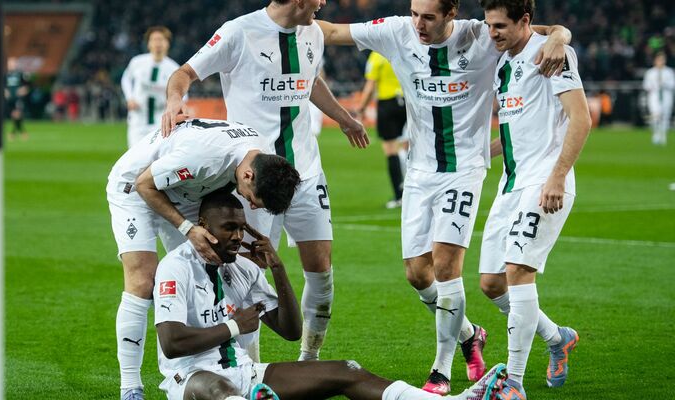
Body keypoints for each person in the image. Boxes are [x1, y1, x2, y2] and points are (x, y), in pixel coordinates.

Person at [317, 0, 571, 393]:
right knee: (418, 275)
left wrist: (560, 34)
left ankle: (441, 369)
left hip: (464, 170)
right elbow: (331, 31)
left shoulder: (481, 35)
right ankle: (471, 333)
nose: (418, 23)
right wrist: (281, 22)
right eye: (415, 13)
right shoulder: (396, 31)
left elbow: (538, 31)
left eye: (429, 16)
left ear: (451, 15)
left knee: (447, 265)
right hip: (419, 171)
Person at [162, 0, 370, 363]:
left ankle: (310, 359)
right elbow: (184, 74)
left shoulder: (313, 33)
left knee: (321, 270)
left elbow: (309, 81)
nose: (323, 3)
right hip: (253, 179)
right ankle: (250, 367)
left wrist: (344, 117)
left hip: (305, 171)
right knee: (246, 273)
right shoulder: (237, 32)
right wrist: (174, 103)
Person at [153, 190, 509, 400]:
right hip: (190, 379)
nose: (236, 236)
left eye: (240, 228)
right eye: (228, 228)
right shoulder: (176, 267)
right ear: (203, 227)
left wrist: (277, 268)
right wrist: (233, 327)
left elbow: (291, 330)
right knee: (216, 388)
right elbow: (170, 343)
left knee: (348, 370)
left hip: (247, 373)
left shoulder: (243, 268)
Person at [106, 118, 301, 400]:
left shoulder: (260, 157)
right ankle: (131, 387)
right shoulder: (204, 157)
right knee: (143, 279)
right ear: (248, 176)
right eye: (252, 198)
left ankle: (230, 369)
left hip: (184, 190)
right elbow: (145, 184)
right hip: (136, 188)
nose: (252, 204)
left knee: (213, 265)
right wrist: (187, 229)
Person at [478, 1, 591, 398]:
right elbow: (515, 132)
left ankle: (513, 383)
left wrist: (557, 176)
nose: (493, 33)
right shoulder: (505, 63)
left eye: (501, 26)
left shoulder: (551, 54)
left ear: (526, 21)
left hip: (543, 182)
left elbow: (581, 118)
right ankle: (557, 337)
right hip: (510, 184)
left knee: (518, 271)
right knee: (492, 284)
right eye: (490, 25)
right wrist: (475, 153)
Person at [355, 51, 409, 209]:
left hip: (387, 104)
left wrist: (361, 109)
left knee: (391, 150)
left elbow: (370, 85)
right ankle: (416, 192)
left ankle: (399, 195)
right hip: (408, 102)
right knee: (411, 148)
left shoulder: (377, 56)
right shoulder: (403, 50)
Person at [121, 26, 181, 148]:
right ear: (148, 44)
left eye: (161, 39)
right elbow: (126, 79)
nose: (157, 43)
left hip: (161, 121)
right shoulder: (137, 62)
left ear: (168, 43)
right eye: (154, 39)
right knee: (134, 158)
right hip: (138, 119)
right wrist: (130, 98)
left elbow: (183, 95)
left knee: (156, 160)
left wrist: (172, 106)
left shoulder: (174, 68)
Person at [642, 52, 674, 146]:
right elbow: (646, 85)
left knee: (665, 116)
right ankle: (656, 134)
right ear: (655, 61)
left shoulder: (669, 72)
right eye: (659, 59)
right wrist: (653, 85)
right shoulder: (650, 72)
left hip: (666, 95)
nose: (661, 61)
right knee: (655, 115)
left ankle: (663, 135)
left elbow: (673, 85)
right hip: (654, 96)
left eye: (662, 59)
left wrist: (664, 84)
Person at [4, 57, 30, 141]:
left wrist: (23, 90)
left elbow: (27, 86)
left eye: (13, 63)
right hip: (10, 98)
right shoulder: (5, 74)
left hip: (18, 97)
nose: (12, 65)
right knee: (14, 116)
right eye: (10, 63)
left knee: (17, 114)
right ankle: (20, 132)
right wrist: (4, 91)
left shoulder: (20, 74)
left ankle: (15, 133)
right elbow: (2, 85)